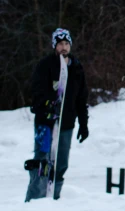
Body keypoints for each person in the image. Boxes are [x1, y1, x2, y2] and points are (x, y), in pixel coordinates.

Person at [25, 28, 89, 201]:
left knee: (61, 164)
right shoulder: (45, 65)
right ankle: (35, 201)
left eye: (66, 44)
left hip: (66, 124)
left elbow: (81, 99)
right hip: (45, 124)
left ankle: (54, 198)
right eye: (60, 44)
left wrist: (83, 124)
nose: (63, 47)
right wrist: (46, 106)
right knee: (42, 162)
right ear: (55, 46)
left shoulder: (76, 68)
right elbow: (36, 92)